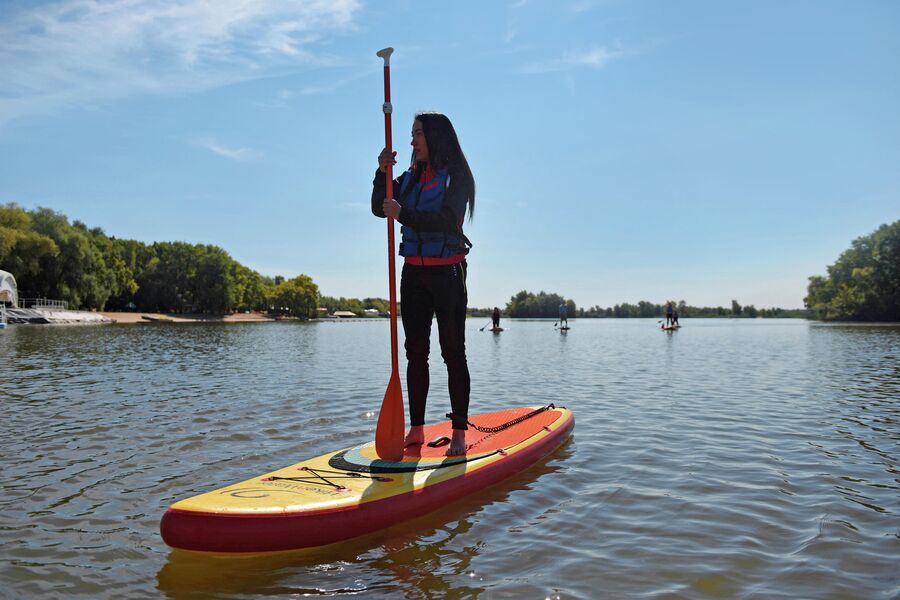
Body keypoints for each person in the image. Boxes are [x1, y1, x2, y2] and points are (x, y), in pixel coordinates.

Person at [372, 112, 475, 456]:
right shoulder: (410, 178)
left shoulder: (456, 177)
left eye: (417, 133)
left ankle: (459, 432)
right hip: (413, 275)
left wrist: (403, 214)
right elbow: (379, 207)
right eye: (412, 133)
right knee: (415, 354)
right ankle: (416, 429)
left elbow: (446, 220)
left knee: (453, 353)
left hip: (447, 274)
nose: (412, 140)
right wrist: (381, 173)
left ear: (435, 136)